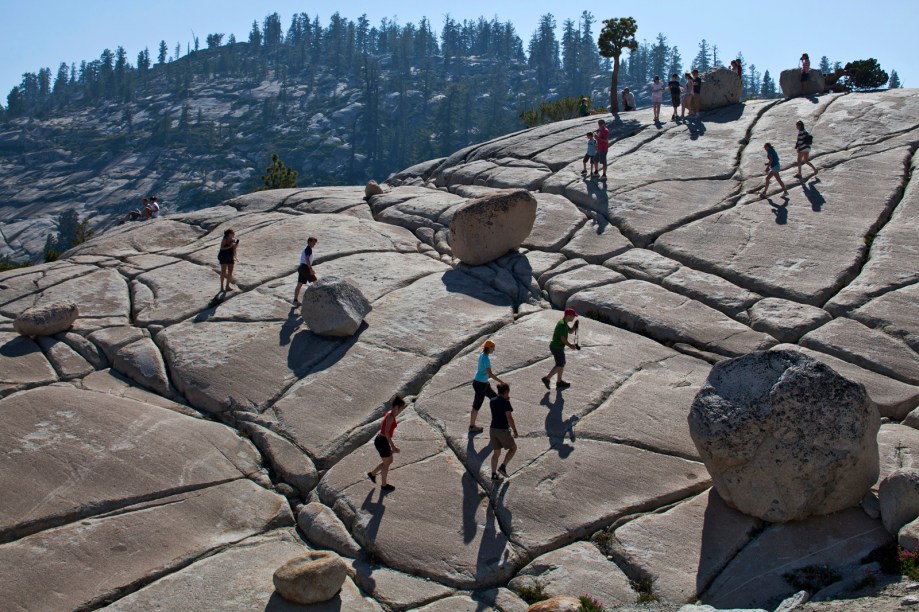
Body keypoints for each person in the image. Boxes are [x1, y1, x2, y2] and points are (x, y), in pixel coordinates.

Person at [367, 395, 406, 492]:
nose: (401, 410)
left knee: (388, 461)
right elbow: (387, 433)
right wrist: (393, 447)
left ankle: (372, 474)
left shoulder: (389, 413)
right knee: (387, 463)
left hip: (381, 440)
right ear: (397, 407)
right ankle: (384, 485)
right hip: (382, 441)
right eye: (401, 408)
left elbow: (383, 427)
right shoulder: (390, 417)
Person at [470, 339, 506, 433]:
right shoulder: (485, 358)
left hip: (483, 383)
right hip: (480, 384)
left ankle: (497, 422)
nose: (493, 350)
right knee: (476, 406)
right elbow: (490, 374)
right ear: (488, 347)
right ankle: (472, 426)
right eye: (493, 348)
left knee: (495, 399)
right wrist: (501, 381)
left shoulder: (482, 355)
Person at [541, 307, 580, 390]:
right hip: (557, 347)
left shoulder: (563, 323)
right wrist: (570, 345)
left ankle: (559, 382)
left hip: (557, 347)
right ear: (568, 315)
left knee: (562, 364)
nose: (574, 317)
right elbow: (563, 339)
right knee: (559, 365)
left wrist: (574, 326)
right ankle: (547, 378)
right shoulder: (562, 325)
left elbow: (570, 331)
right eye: (573, 316)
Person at [489, 383, 518, 481]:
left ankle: (493, 474)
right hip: (502, 430)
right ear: (505, 392)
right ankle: (503, 466)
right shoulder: (506, 403)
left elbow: (498, 406)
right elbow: (509, 418)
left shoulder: (492, 401)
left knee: (496, 453)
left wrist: (506, 400)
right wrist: (515, 430)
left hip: (493, 429)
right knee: (513, 448)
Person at [292, 237, 318, 306]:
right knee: (315, 282)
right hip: (305, 268)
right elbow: (307, 259)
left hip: (301, 267)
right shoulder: (308, 249)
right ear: (309, 242)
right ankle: (318, 299)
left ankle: (295, 300)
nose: (314, 244)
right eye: (313, 242)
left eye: (315, 243)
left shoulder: (305, 249)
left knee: (299, 284)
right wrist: (310, 269)